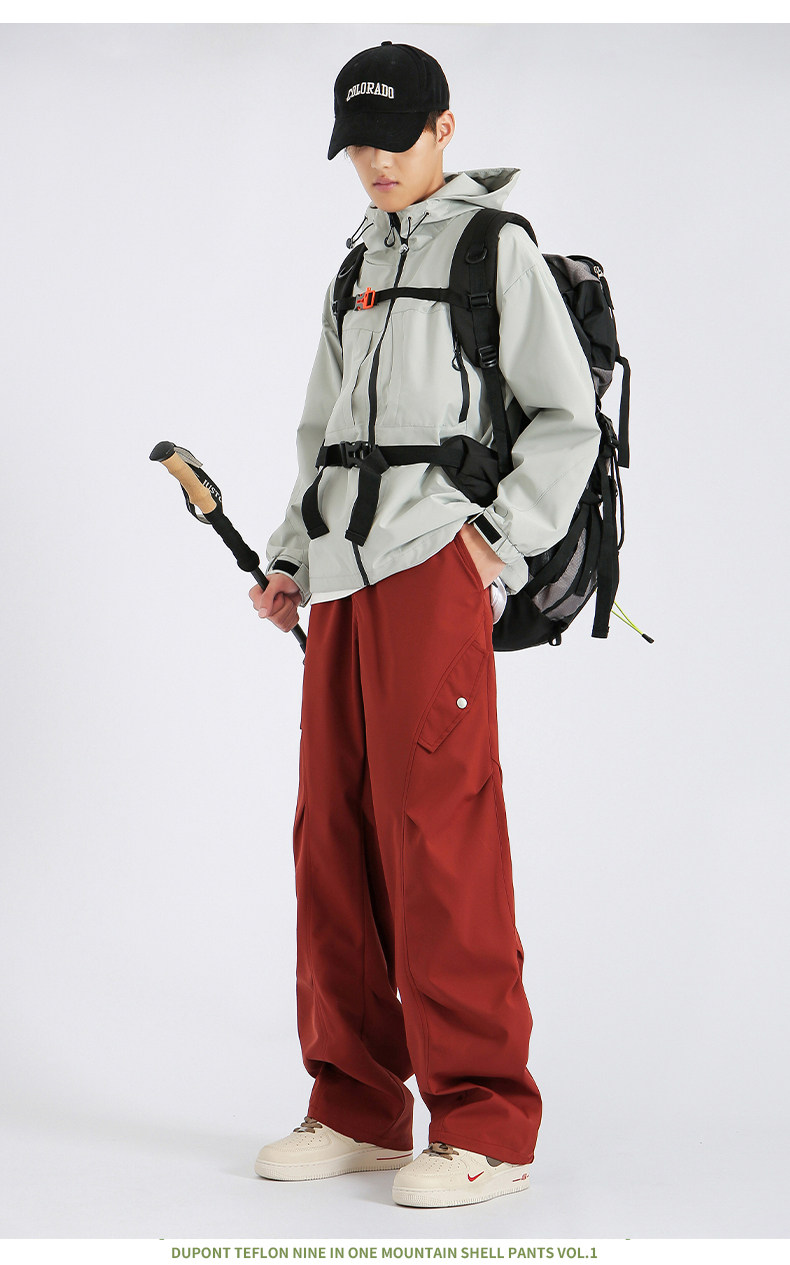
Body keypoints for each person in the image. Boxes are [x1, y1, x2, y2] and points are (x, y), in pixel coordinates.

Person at [248, 40, 600, 1210]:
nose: (374, 162)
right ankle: (355, 1104)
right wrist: (290, 554)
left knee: (438, 835)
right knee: (333, 833)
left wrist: (495, 543)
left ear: (444, 128)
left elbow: (566, 416)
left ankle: (487, 1120)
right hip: (343, 574)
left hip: (431, 564)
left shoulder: (495, 247)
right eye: (356, 143)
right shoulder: (356, 257)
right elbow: (322, 429)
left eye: (393, 138)